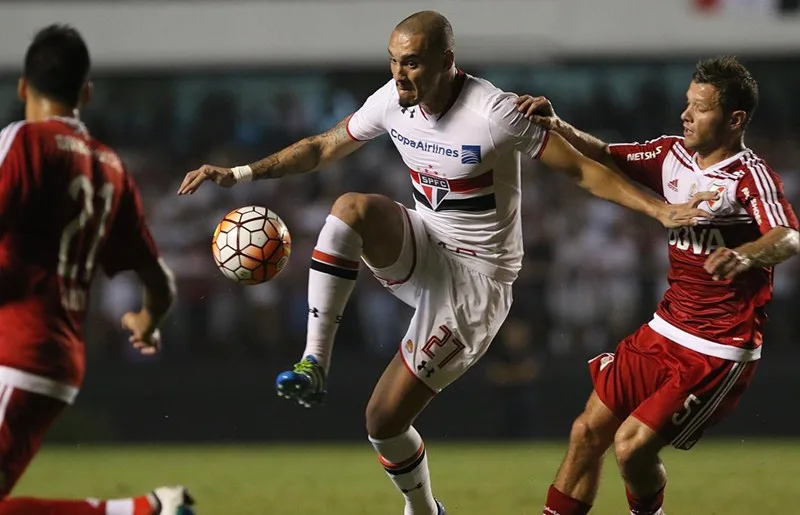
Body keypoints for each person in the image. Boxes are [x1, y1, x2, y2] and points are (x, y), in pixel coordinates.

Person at [178, 11, 710, 515]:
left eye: (411, 62)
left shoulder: (494, 112)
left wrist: (657, 209)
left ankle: (422, 506)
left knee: (382, 421)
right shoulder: (391, 100)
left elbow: (581, 172)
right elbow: (322, 147)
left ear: (446, 61)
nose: (399, 74)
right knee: (351, 209)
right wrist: (241, 173)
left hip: (478, 282)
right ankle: (314, 362)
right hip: (427, 242)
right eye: (393, 61)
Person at [516, 56, 800, 515]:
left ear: (735, 119)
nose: (685, 114)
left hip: (718, 346)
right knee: (586, 433)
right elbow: (606, 154)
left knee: (630, 448)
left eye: (700, 107)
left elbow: (787, 235)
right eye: (687, 103)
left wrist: (746, 253)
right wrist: (559, 125)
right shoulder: (671, 155)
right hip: (664, 329)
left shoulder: (750, 176)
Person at [0, 25, 194, 515]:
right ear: (85, 93)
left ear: (23, 87)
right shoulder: (110, 165)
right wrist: (146, 322)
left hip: (14, 349)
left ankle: (143, 511)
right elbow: (159, 284)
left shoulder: (22, 142)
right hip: (57, 357)